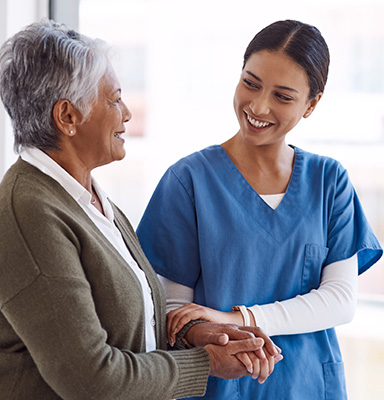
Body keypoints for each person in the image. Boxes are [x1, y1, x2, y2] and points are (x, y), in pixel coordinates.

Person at [0, 19, 283, 400]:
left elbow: (129, 334)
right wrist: (205, 363)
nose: (126, 113)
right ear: (68, 117)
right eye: (114, 99)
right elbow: (91, 379)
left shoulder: (90, 200)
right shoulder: (29, 214)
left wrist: (196, 336)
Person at [137, 19, 383, 400]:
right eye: (250, 83)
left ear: (311, 104)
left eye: (283, 96)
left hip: (309, 386)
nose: (258, 106)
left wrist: (241, 318)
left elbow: (339, 300)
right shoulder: (188, 181)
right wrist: (215, 332)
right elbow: (175, 311)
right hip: (219, 386)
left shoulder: (329, 182)